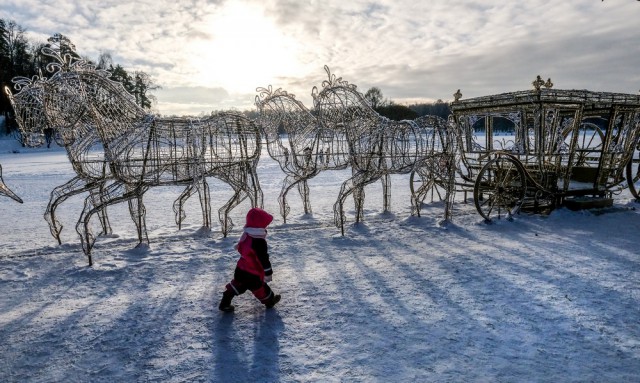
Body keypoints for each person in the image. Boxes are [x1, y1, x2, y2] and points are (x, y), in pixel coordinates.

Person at [219, 207, 281, 312]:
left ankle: (225, 302)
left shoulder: (247, 234)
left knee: (238, 284)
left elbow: (242, 248)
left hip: (241, 268)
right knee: (260, 288)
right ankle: (270, 301)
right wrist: (268, 272)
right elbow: (263, 259)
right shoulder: (259, 242)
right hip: (253, 272)